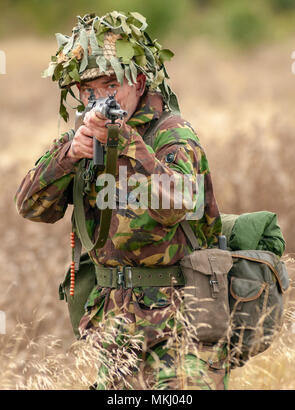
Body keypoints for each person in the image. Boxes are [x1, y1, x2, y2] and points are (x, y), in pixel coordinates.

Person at [15, 11, 228, 390]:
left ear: (139, 82)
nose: (100, 98)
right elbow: (29, 207)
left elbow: (178, 205)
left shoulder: (172, 135)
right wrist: (69, 156)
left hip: (183, 321)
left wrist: (130, 146)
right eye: (88, 89)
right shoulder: (83, 138)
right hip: (114, 329)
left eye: (111, 84)